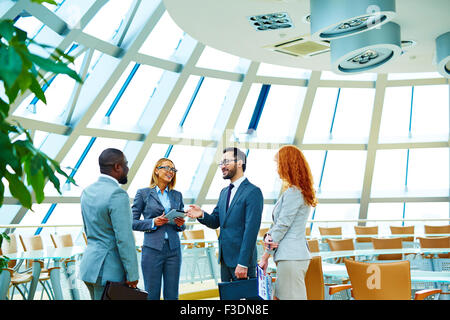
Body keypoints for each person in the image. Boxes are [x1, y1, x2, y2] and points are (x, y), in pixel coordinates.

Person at [186, 147, 264, 282]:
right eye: (221, 163)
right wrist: (201, 214)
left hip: (242, 263)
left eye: (226, 162)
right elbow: (216, 221)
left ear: (239, 163)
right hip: (225, 261)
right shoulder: (223, 192)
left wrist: (243, 263)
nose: (222, 166)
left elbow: (251, 231)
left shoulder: (253, 192)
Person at [258, 145, 318, 300]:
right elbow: (281, 225)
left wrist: (265, 257)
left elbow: (283, 225)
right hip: (293, 255)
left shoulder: (293, 193)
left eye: (278, 164)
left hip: (291, 256)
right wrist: (268, 236)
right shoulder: (299, 191)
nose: (277, 168)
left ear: (287, 165)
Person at [79, 148, 139, 300]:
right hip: (109, 271)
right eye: (125, 164)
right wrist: (132, 274)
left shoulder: (87, 191)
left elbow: (88, 229)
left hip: (90, 267)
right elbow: (124, 238)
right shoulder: (117, 194)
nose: (127, 168)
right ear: (117, 167)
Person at [132, 158, 186, 300]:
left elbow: (182, 225)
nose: (170, 172)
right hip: (152, 250)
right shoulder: (143, 193)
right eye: (167, 168)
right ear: (156, 170)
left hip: (174, 250)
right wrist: (153, 222)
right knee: (152, 295)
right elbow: (132, 222)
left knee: (172, 295)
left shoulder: (177, 195)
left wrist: (181, 224)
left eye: (173, 169)